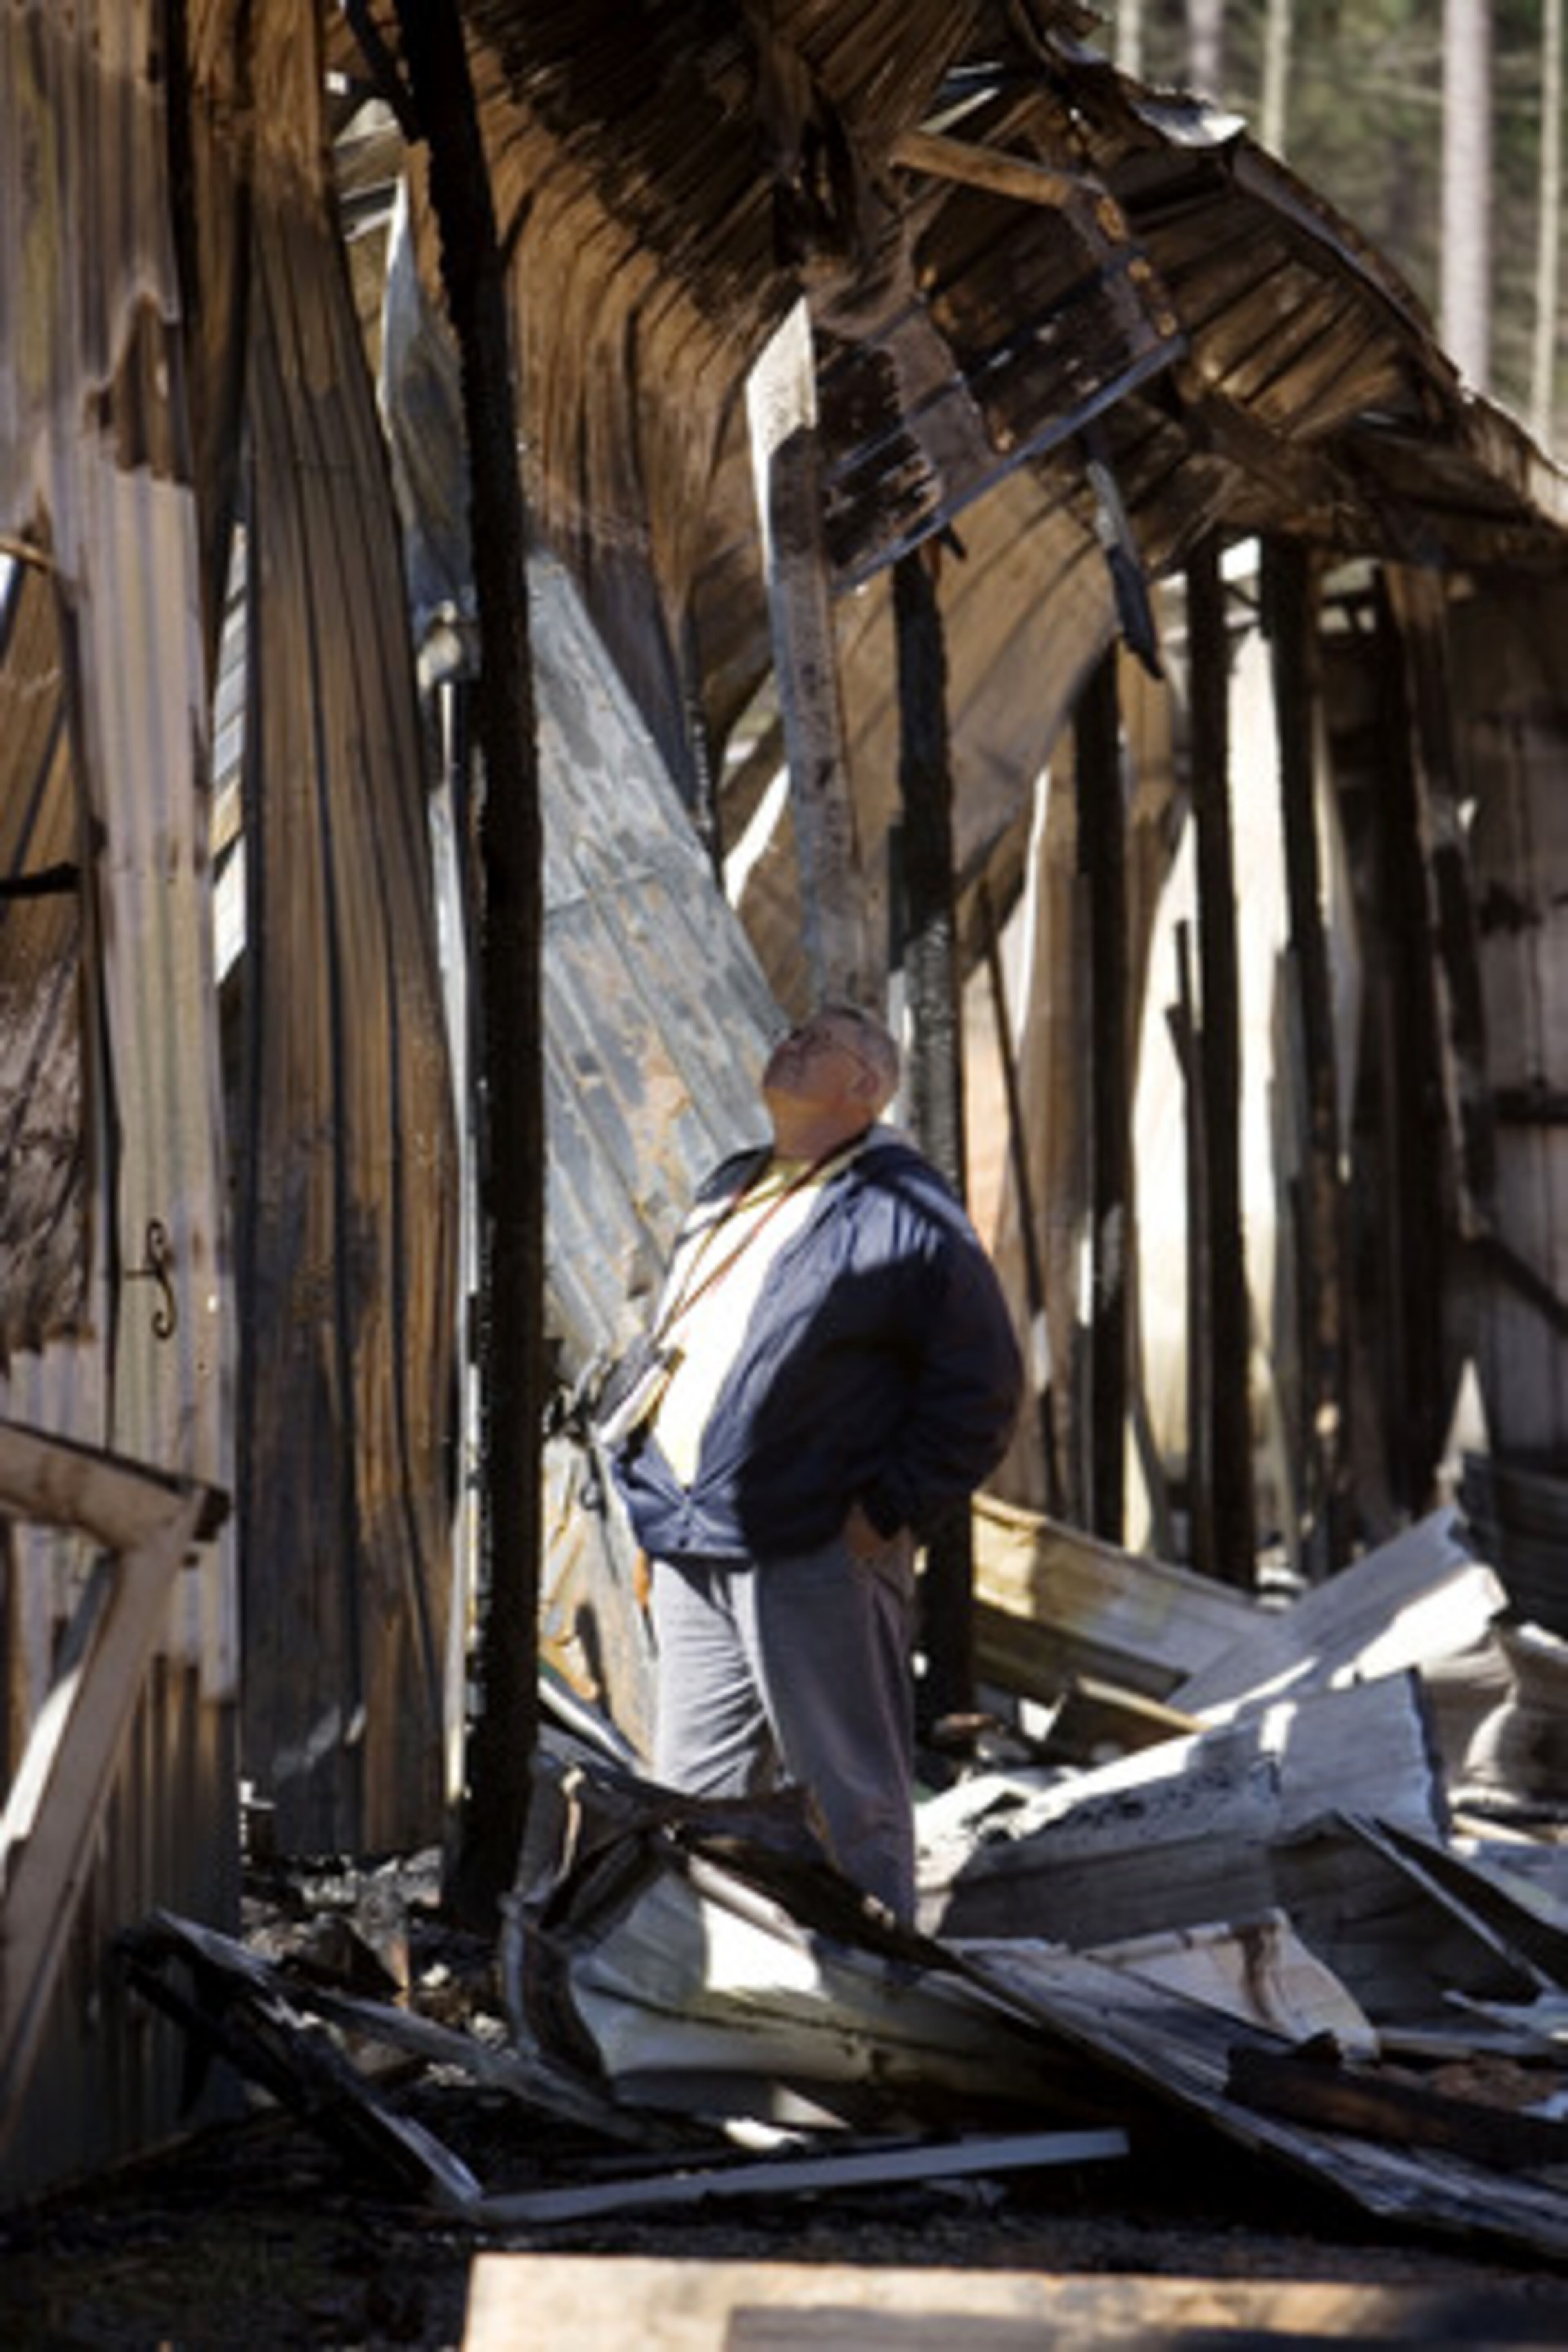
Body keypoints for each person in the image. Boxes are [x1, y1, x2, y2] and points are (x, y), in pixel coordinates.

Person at [607, 1000, 1022, 1920]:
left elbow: (984, 1387)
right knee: (695, 1794)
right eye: (794, 1031)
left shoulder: (902, 1208)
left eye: (820, 1041)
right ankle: (715, 1968)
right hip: (694, 1537)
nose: (791, 1042)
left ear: (866, 1087)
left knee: (850, 1795)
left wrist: (884, 1512)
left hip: (810, 1543)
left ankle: (876, 1976)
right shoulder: (731, 1184)